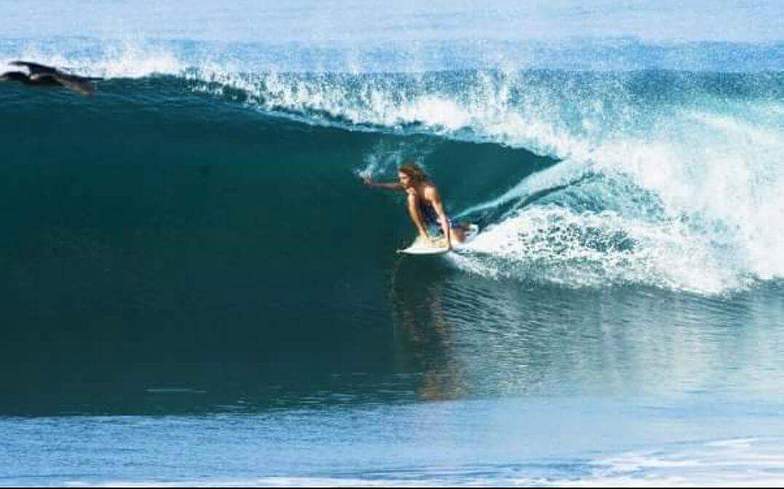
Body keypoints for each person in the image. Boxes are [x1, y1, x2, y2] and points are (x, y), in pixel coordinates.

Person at [363, 161, 468, 249]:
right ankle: (423, 234)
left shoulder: (430, 190)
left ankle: (461, 225)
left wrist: (448, 243)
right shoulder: (409, 186)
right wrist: (375, 184)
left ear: (413, 177)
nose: (401, 181)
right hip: (423, 215)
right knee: (411, 197)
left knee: (460, 239)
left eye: (404, 178)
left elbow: (441, 216)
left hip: (435, 215)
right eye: (400, 178)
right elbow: (395, 186)